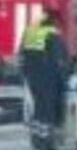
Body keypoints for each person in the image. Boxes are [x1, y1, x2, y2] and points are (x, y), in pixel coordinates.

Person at [18, 8, 68, 138]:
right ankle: (46, 127)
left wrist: (24, 72)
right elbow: (60, 56)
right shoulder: (51, 33)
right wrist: (64, 71)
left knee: (38, 99)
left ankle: (37, 125)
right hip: (46, 71)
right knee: (48, 100)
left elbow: (21, 53)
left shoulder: (29, 32)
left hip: (31, 73)